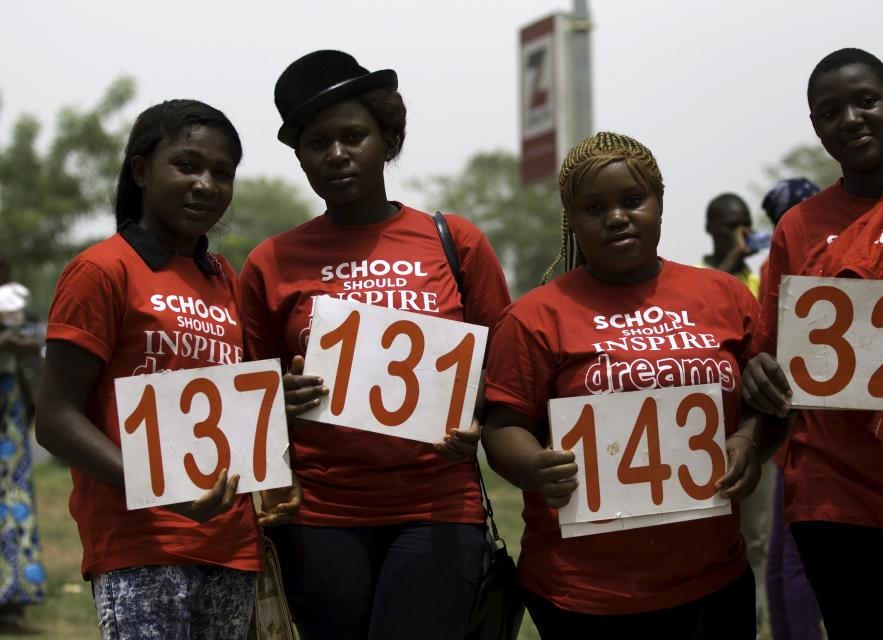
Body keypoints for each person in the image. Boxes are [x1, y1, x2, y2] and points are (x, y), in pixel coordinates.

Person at [239, 50, 512, 640]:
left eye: (353, 136)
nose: (336, 154)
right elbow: (247, 398)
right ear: (301, 158)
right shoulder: (270, 263)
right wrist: (274, 398)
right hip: (320, 516)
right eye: (316, 143)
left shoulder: (454, 241)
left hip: (438, 506)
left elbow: (507, 366)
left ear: (387, 138)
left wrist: (480, 414)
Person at [482, 131, 786, 639]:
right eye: (594, 207)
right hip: (582, 593)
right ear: (572, 220)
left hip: (711, 582)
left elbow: (769, 399)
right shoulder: (535, 317)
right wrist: (536, 467)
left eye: (632, 200)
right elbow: (504, 426)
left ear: (660, 202)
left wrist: (747, 443)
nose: (616, 217)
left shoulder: (726, 296)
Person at [35, 99, 288, 639]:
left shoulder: (225, 278)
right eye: (188, 165)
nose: (206, 184)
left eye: (223, 173)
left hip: (232, 546)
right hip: (140, 542)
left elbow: (228, 407)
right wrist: (159, 485)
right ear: (142, 170)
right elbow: (55, 418)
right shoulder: (101, 270)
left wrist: (275, 409)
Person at [742, 48, 883, 640]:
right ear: (817, 128)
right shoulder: (798, 228)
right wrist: (758, 374)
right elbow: (769, 351)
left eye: (866, 101)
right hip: (833, 495)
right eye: (831, 111)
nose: (852, 119)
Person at [701, 192, 773, 626]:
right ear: (711, 229)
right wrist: (730, 257)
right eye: (731, 225)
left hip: (753, 427)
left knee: (759, 535)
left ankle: (758, 615)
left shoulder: (761, 276)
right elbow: (700, 316)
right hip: (705, 433)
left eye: (746, 223)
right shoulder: (703, 277)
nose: (742, 232)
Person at [757, 178, 823, 640]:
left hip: (798, 431)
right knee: (790, 563)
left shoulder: (774, 262)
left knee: (787, 563)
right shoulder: (812, 257)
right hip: (808, 432)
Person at [0, 260, 45, 631]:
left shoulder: (10, 304)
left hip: (9, 420)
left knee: (13, 504)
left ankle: (13, 598)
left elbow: (29, 346)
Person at [702, 193, 760, 297]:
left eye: (747, 225)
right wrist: (734, 256)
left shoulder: (755, 281)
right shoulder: (694, 274)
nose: (742, 233)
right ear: (709, 228)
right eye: (732, 226)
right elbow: (703, 299)